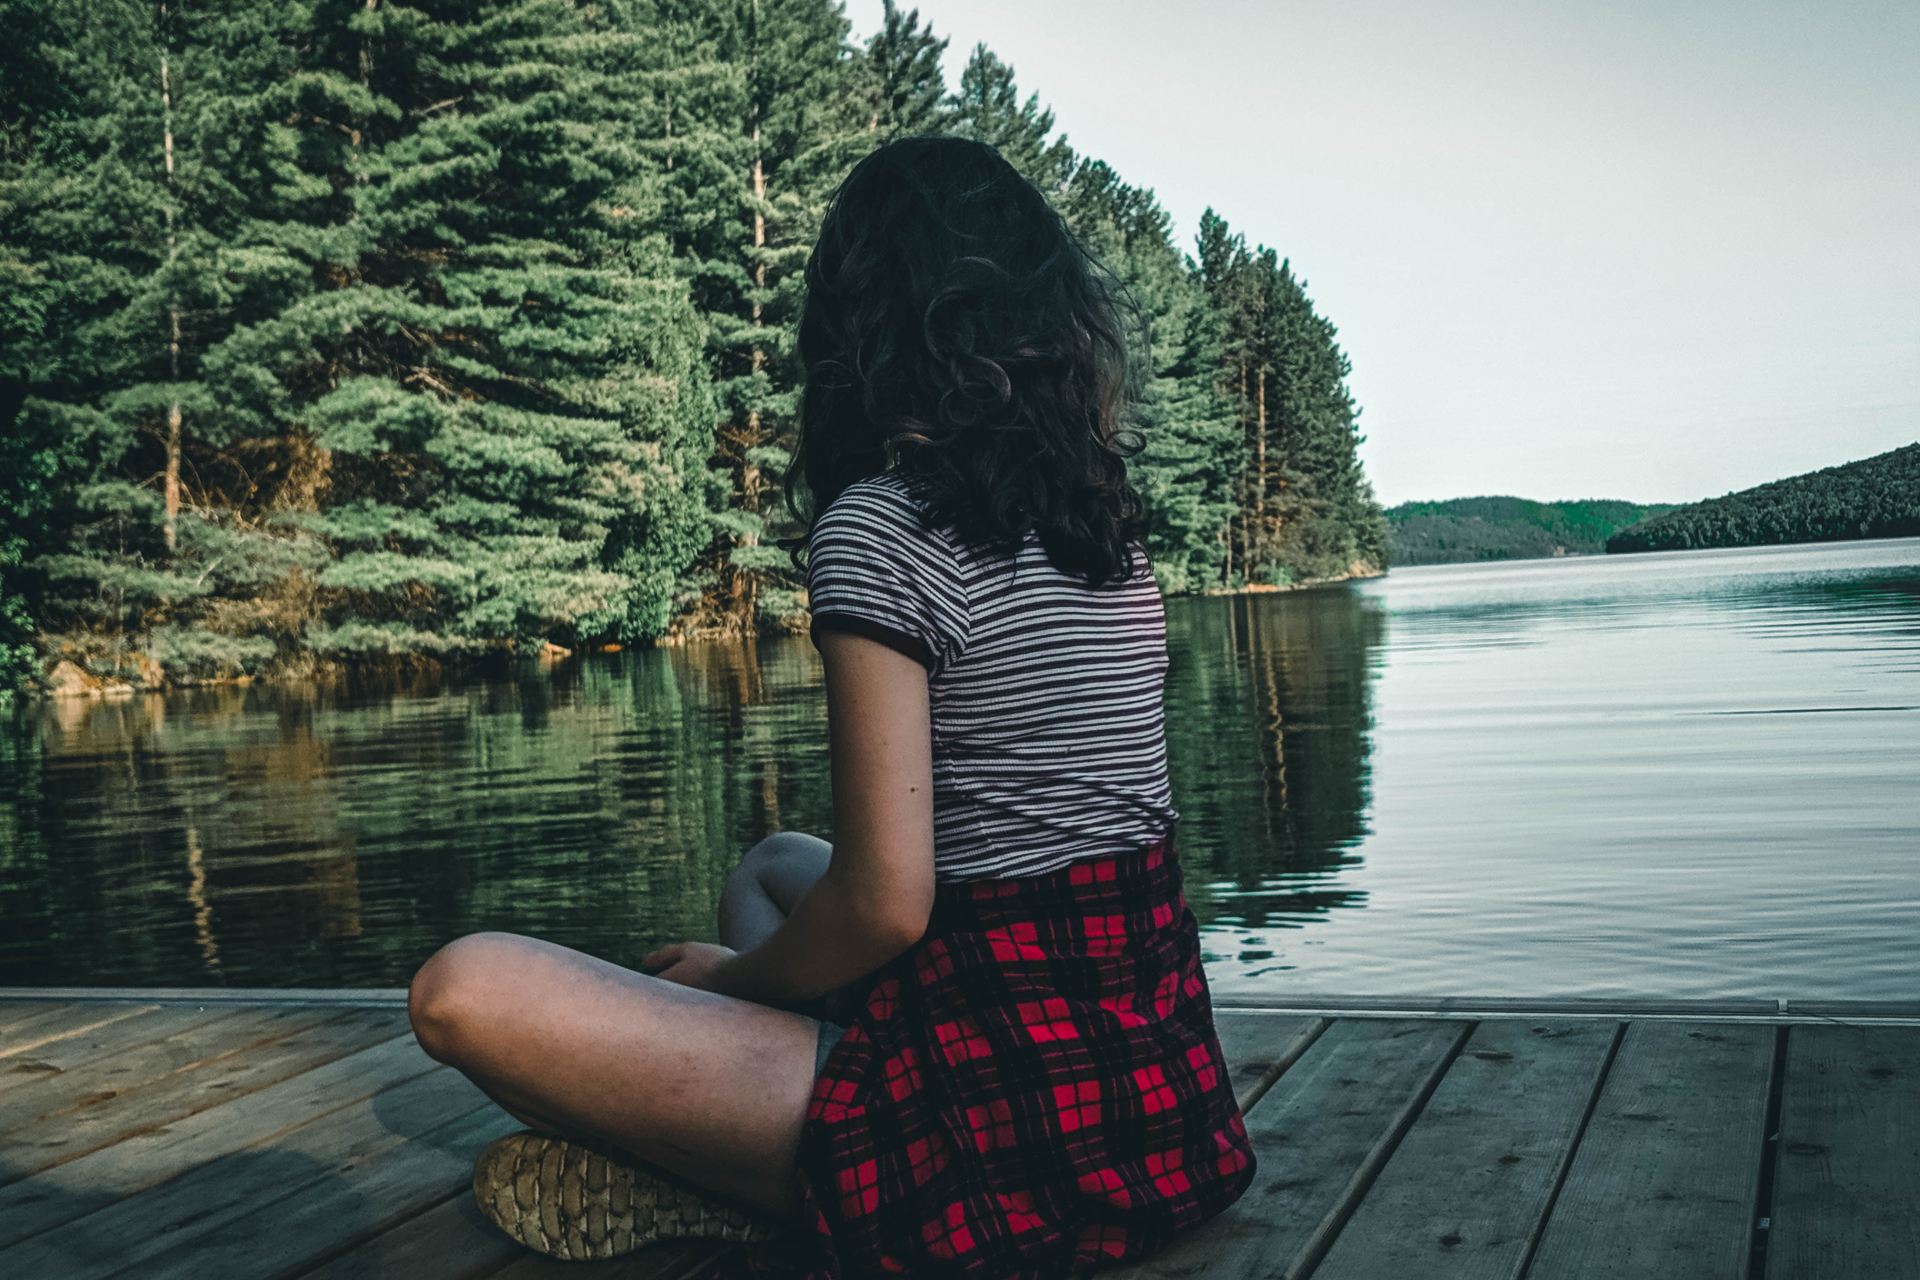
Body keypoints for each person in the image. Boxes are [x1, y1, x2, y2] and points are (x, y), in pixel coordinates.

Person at [406, 134, 1257, 1279]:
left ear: (862, 323)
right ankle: (777, 1143)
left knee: (460, 990)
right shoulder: (1103, 522)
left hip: (1008, 1146)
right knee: (767, 866)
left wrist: (727, 987)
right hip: (1158, 1115)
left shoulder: (880, 526)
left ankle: (791, 1183)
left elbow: (886, 906)